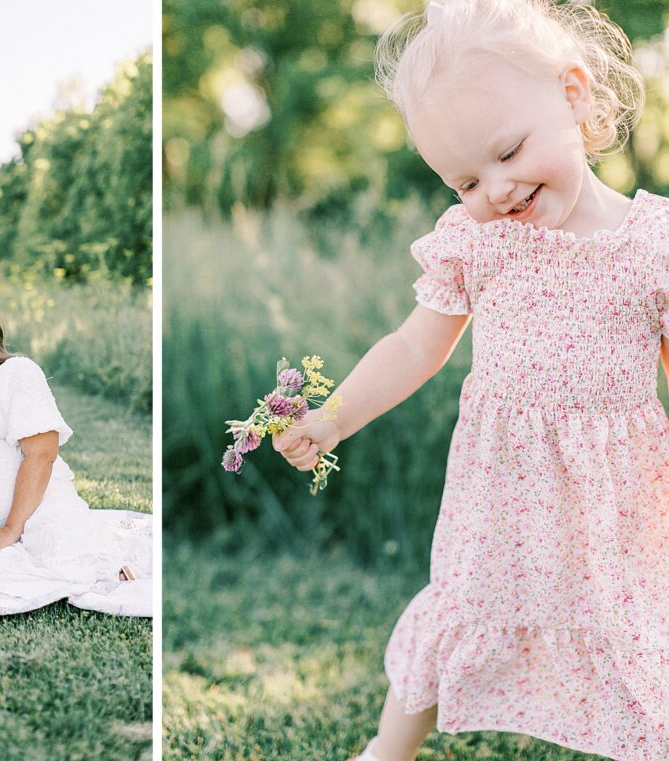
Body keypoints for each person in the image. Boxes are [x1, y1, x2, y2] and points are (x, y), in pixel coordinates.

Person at [274, 1, 667, 759]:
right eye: (463, 182)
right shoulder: (478, 244)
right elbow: (413, 346)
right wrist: (333, 416)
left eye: (508, 152)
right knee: (461, 607)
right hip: (501, 491)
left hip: (615, 498)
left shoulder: (652, 244)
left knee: (632, 630)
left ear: (574, 95)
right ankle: (387, 749)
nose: (496, 190)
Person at [0, 281, 150, 586]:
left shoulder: (15, 373)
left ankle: (109, 565)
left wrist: (12, 528)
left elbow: (42, 454)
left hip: (37, 515)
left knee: (77, 568)